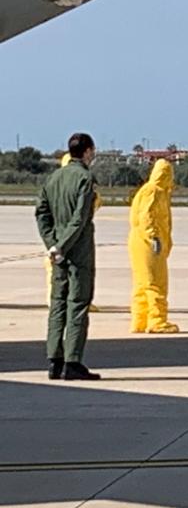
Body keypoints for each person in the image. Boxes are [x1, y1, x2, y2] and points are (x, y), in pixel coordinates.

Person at [35, 133, 100, 380]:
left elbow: (41, 212)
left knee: (57, 304)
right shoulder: (85, 178)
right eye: (92, 150)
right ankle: (73, 361)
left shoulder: (53, 178)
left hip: (58, 253)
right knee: (78, 304)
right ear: (86, 151)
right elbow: (80, 218)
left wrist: (51, 243)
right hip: (77, 251)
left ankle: (54, 359)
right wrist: (62, 245)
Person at [45, 153, 101, 312]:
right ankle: (62, 303)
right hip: (67, 236)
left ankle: (62, 303)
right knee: (65, 274)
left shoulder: (56, 181)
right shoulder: (78, 181)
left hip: (59, 236)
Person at [128, 158, 178, 334]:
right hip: (148, 243)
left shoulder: (149, 190)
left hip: (139, 240)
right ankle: (157, 320)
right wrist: (154, 237)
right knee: (156, 282)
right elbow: (147, 216)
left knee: (142, 283)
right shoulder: (154, 191)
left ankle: (140, 320)